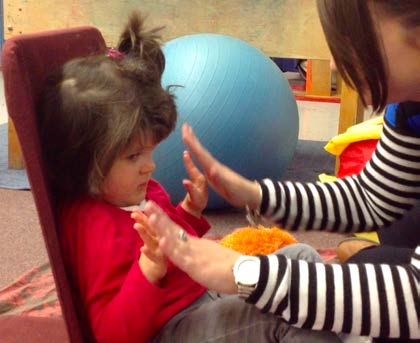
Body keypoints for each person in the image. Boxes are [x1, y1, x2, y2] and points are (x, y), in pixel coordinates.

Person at [38, 10, 342, 343]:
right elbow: (113, 335)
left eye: (150, 151)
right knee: (283, 314)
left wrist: (189, 213)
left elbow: (175, 247)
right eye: (133, 156)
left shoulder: (132, 189)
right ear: (85, 163)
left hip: (205, 293)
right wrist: (148, 271)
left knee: (302, 263)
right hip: (174, 326)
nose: (150, 166)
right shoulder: (92, 227)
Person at [134, 1, 420, 341]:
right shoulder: (409, 106)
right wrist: (256, 194)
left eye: (351, 39)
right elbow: (373, 199)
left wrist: (242, 273)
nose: (333, 63)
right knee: (363, 273)